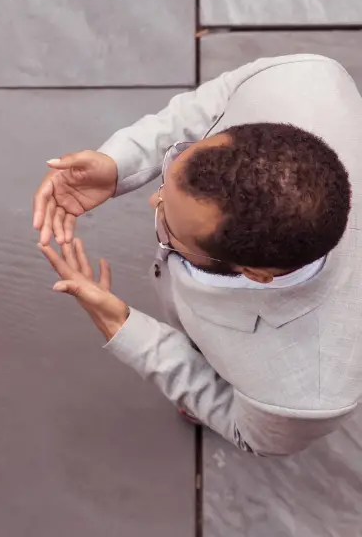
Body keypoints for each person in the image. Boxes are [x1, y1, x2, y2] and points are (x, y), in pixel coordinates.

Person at [33, 54, 362, 456]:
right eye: (175, 168)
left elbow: (246, 431)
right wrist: (120, 163)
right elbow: (212, 104)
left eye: (167, 226)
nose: (152, 198)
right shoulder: (300, 78)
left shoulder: (304, 395)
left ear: (257, 274)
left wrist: (122, 326)